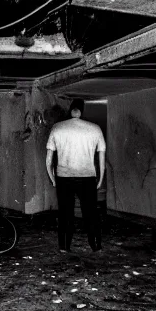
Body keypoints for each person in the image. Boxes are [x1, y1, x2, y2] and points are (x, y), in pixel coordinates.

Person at [46, 99, 106, 253]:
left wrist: (53, 179)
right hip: (87, 177)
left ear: (70, 110)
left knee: (65, 213)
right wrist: (99, 179)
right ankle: (95, 246)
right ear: (81, 111)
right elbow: (101, 159)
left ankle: (64, 246)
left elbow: (48, 160)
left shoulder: (57, 128)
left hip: (64, 177)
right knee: (91, 213)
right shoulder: (95, 129)